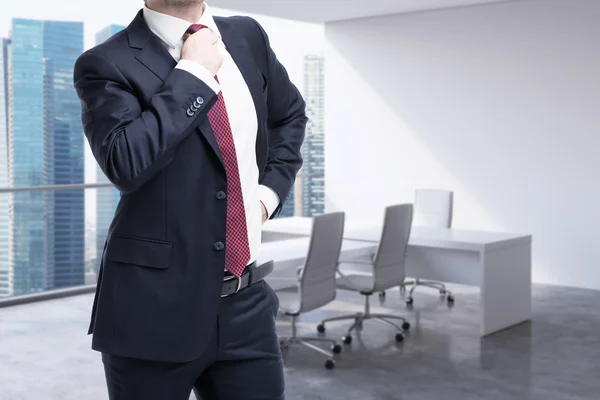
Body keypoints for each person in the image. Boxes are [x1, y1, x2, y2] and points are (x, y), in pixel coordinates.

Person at [73, 0, 306, 398]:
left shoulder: (246, 36)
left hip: (246, 304)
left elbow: (289, 117)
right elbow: (126, 163)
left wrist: (267, 196)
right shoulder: (104, 63)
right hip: (152, 312)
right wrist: (194, 70)